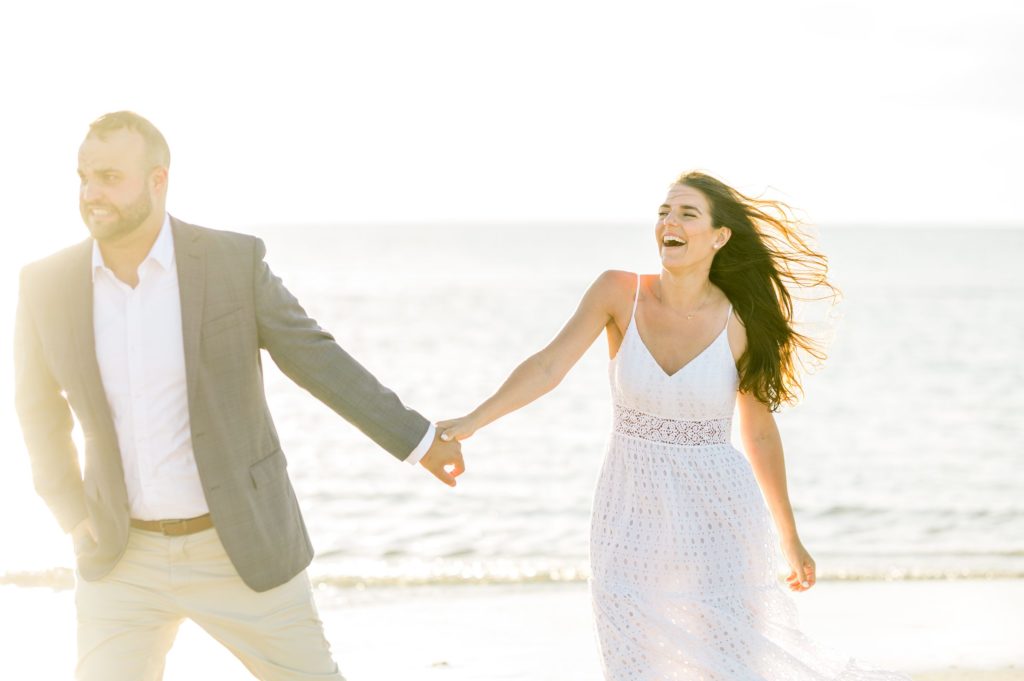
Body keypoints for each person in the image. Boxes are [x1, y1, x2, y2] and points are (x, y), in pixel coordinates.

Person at [14, 111, 465, 681]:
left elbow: (315, 357)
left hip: (239, 546)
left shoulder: (231, 262)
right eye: (82, 177)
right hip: (120, 560)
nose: (90, 194)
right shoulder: (45, 283)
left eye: (108, 177)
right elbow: (37, 407)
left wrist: (418, 440)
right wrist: (68, 508)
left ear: (159, 180)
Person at [437, 172, 910, 679]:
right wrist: (473, 421)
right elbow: (548, 367)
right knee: (631, 660)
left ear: (719, 236)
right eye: (664, 212)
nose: (670, 222)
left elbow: (759, 432)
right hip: (629, 511)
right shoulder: (619, 292)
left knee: (730, 661)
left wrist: (789, 537)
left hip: (720, 515)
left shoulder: (741, 322)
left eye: (687, 213)